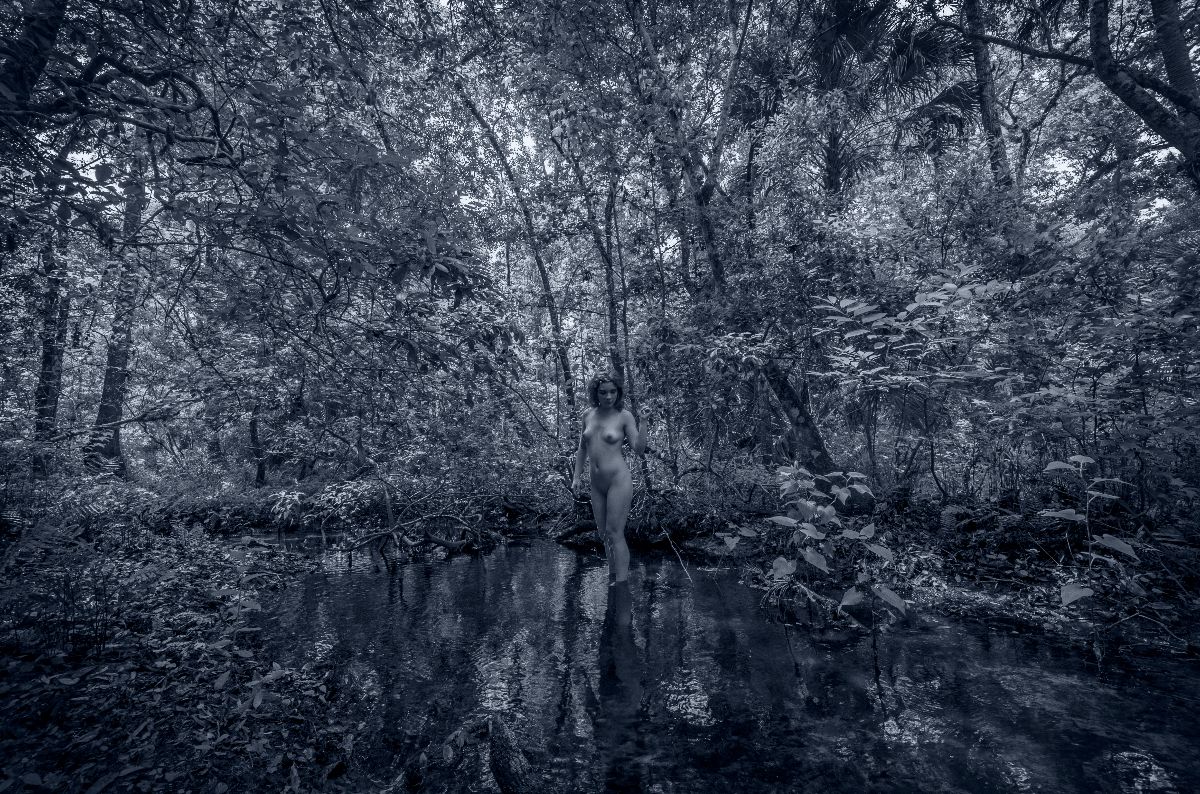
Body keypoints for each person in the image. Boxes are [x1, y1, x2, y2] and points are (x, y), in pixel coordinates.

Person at [571, 373, 645, 584]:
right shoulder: (587, 415)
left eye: (613, 391)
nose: (609, 396)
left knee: (615, 532)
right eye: (603, 392)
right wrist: (576, 477)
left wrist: (644, 422)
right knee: (603, 533)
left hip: (618, 480)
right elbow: (582, 448)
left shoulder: (624, 416)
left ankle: (621, 584)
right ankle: (613, 577)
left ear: (618, 392)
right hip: (596, 483)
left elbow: (639, 449)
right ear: (595, 393)